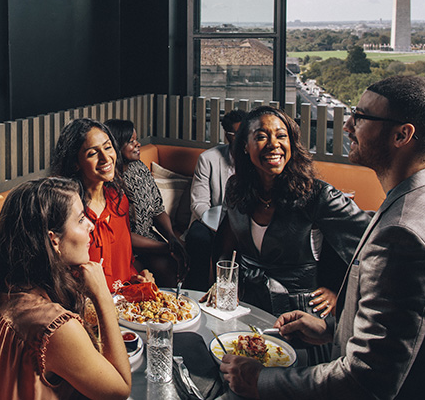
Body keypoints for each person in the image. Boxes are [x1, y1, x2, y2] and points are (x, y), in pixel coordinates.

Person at [220, 75, 425, 399]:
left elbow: (365, 381)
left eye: (361, 117)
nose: (348, 125)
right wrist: (332, 330)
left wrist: (259, 382)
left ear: (402, 135)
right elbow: (409, 329)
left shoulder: (404, 237)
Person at [0, 177, 131, 400]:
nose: (91, 224)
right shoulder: (57, 329)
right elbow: (119, 390)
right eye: (80, 220)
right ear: (53, 240)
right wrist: (102, 296)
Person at [209, 106, 370, 329]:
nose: (274, 144)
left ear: (291, 144)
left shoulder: (319, 195)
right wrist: (222, 284)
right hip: (246, 307)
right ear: (245, 146)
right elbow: (226, 249)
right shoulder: (236, 188)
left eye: (281, 136)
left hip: (300, 317)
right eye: (262, 137)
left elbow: (372, 246)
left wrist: (338, 292)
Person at [50, 118, 153, 290]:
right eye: (92, 153)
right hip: (87, 308)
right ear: (75, 163)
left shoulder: (118, 198)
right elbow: (59, 276)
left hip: (126, 305)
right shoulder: (68, 210)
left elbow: (125, 263)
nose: (106, 158)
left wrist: (139, 278)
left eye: (107, 147)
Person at [104, 118, 187, 287]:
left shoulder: (139, 168)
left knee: (176, 263)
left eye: (136, 139)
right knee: (161, 268)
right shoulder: (109, 182)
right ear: (115, 146)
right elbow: (122, 235)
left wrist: (172, 238)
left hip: (147, 238)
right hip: (124, 246)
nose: (138, 144)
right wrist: (166, 248)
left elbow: (157, 209)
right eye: (131, 141)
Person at [184, 108, 245, 288]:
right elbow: (199, 203)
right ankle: (197, 293)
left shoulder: (257, 160)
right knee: (198, 238)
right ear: (228, 136)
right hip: (208, 222)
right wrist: (219, 227)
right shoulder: (208, 159)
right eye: (237, 134)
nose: (244, 139)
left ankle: (231, 293)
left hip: (245, 225)